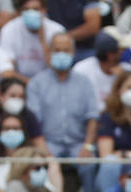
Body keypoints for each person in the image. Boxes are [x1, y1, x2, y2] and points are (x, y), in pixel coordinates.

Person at [26, 32, 99, 169]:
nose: (61, 54)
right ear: (49, 52)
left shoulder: (84, 82)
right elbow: (33, 121)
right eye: (57, 50)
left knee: (89, 165)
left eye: (66, 50)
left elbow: (92, 117)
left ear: (73, 53)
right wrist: (43, 150)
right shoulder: (36, 83)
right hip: (48, 143)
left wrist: (88, 146)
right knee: (40, 163)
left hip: (78, 143)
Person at [0, 0, 67, 78]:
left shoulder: (57, 30)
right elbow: (8, 71)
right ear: (21, 11)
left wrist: (42, 39)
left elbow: (59, 71)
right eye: (26, 9)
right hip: (20, 81)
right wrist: (31, 84)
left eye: (36, 9)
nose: (31, 13)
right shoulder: (8, 29)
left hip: (50, 81)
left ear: (44, 10)